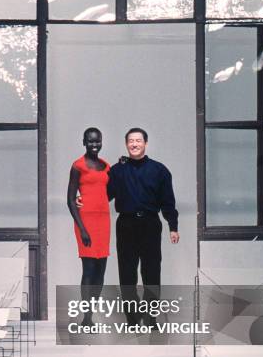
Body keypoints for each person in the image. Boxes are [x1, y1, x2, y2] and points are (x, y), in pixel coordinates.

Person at [107, 128, 179, 326]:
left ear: (145, 143)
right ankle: (131, 318)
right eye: (131, 141)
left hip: (150, 224)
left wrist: (173, 226)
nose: (134, 144)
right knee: (127, 274)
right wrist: (82, 197)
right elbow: (104, 194)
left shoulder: (159, 170)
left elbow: (168, 201)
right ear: (126, 144)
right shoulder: (117, 170)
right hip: (126, 225)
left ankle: (151, 318)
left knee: (152, 273)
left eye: (138, 140)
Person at [67, 127, 110, 327]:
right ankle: (87, 317)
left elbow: (107, 194)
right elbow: (70, 199)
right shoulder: (78, 166)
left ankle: (91, 313)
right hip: (86, 222)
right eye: (91, 141)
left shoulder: (106, 166)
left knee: (101, 271)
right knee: (89, 269)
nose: (95, 144)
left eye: (98, 141)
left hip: (103, 222)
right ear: (84, 142)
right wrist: (82, 229)